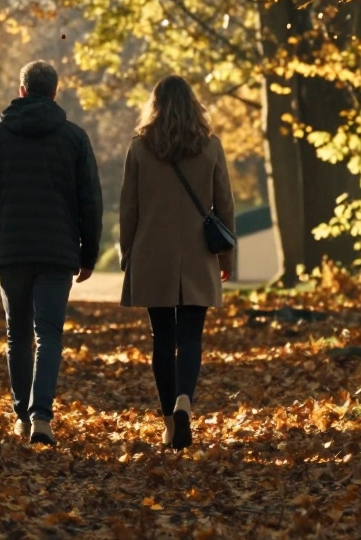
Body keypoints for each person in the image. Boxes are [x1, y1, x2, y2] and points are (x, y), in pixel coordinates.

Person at [0, 60, 102, 445]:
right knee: (49, 335)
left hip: (10, 250)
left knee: (17, 336)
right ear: (55, 92)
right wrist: (88, 254)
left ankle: (22, 417)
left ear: (22, 90)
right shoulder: (74, 139)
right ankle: (42, 415)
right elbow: (90, 200)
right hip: (58, 251)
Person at [118, 76, 235, 450]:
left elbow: (128, 207)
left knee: (162, 339)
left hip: (153, 254)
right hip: (198, 254)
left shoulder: (139, 149)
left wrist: (127, 252)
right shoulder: (211, 147)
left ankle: (170, 419)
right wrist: (227, 255)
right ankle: (185, 399)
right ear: (193, 106)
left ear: (155, 107)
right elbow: (225, 205)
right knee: (190, 337)